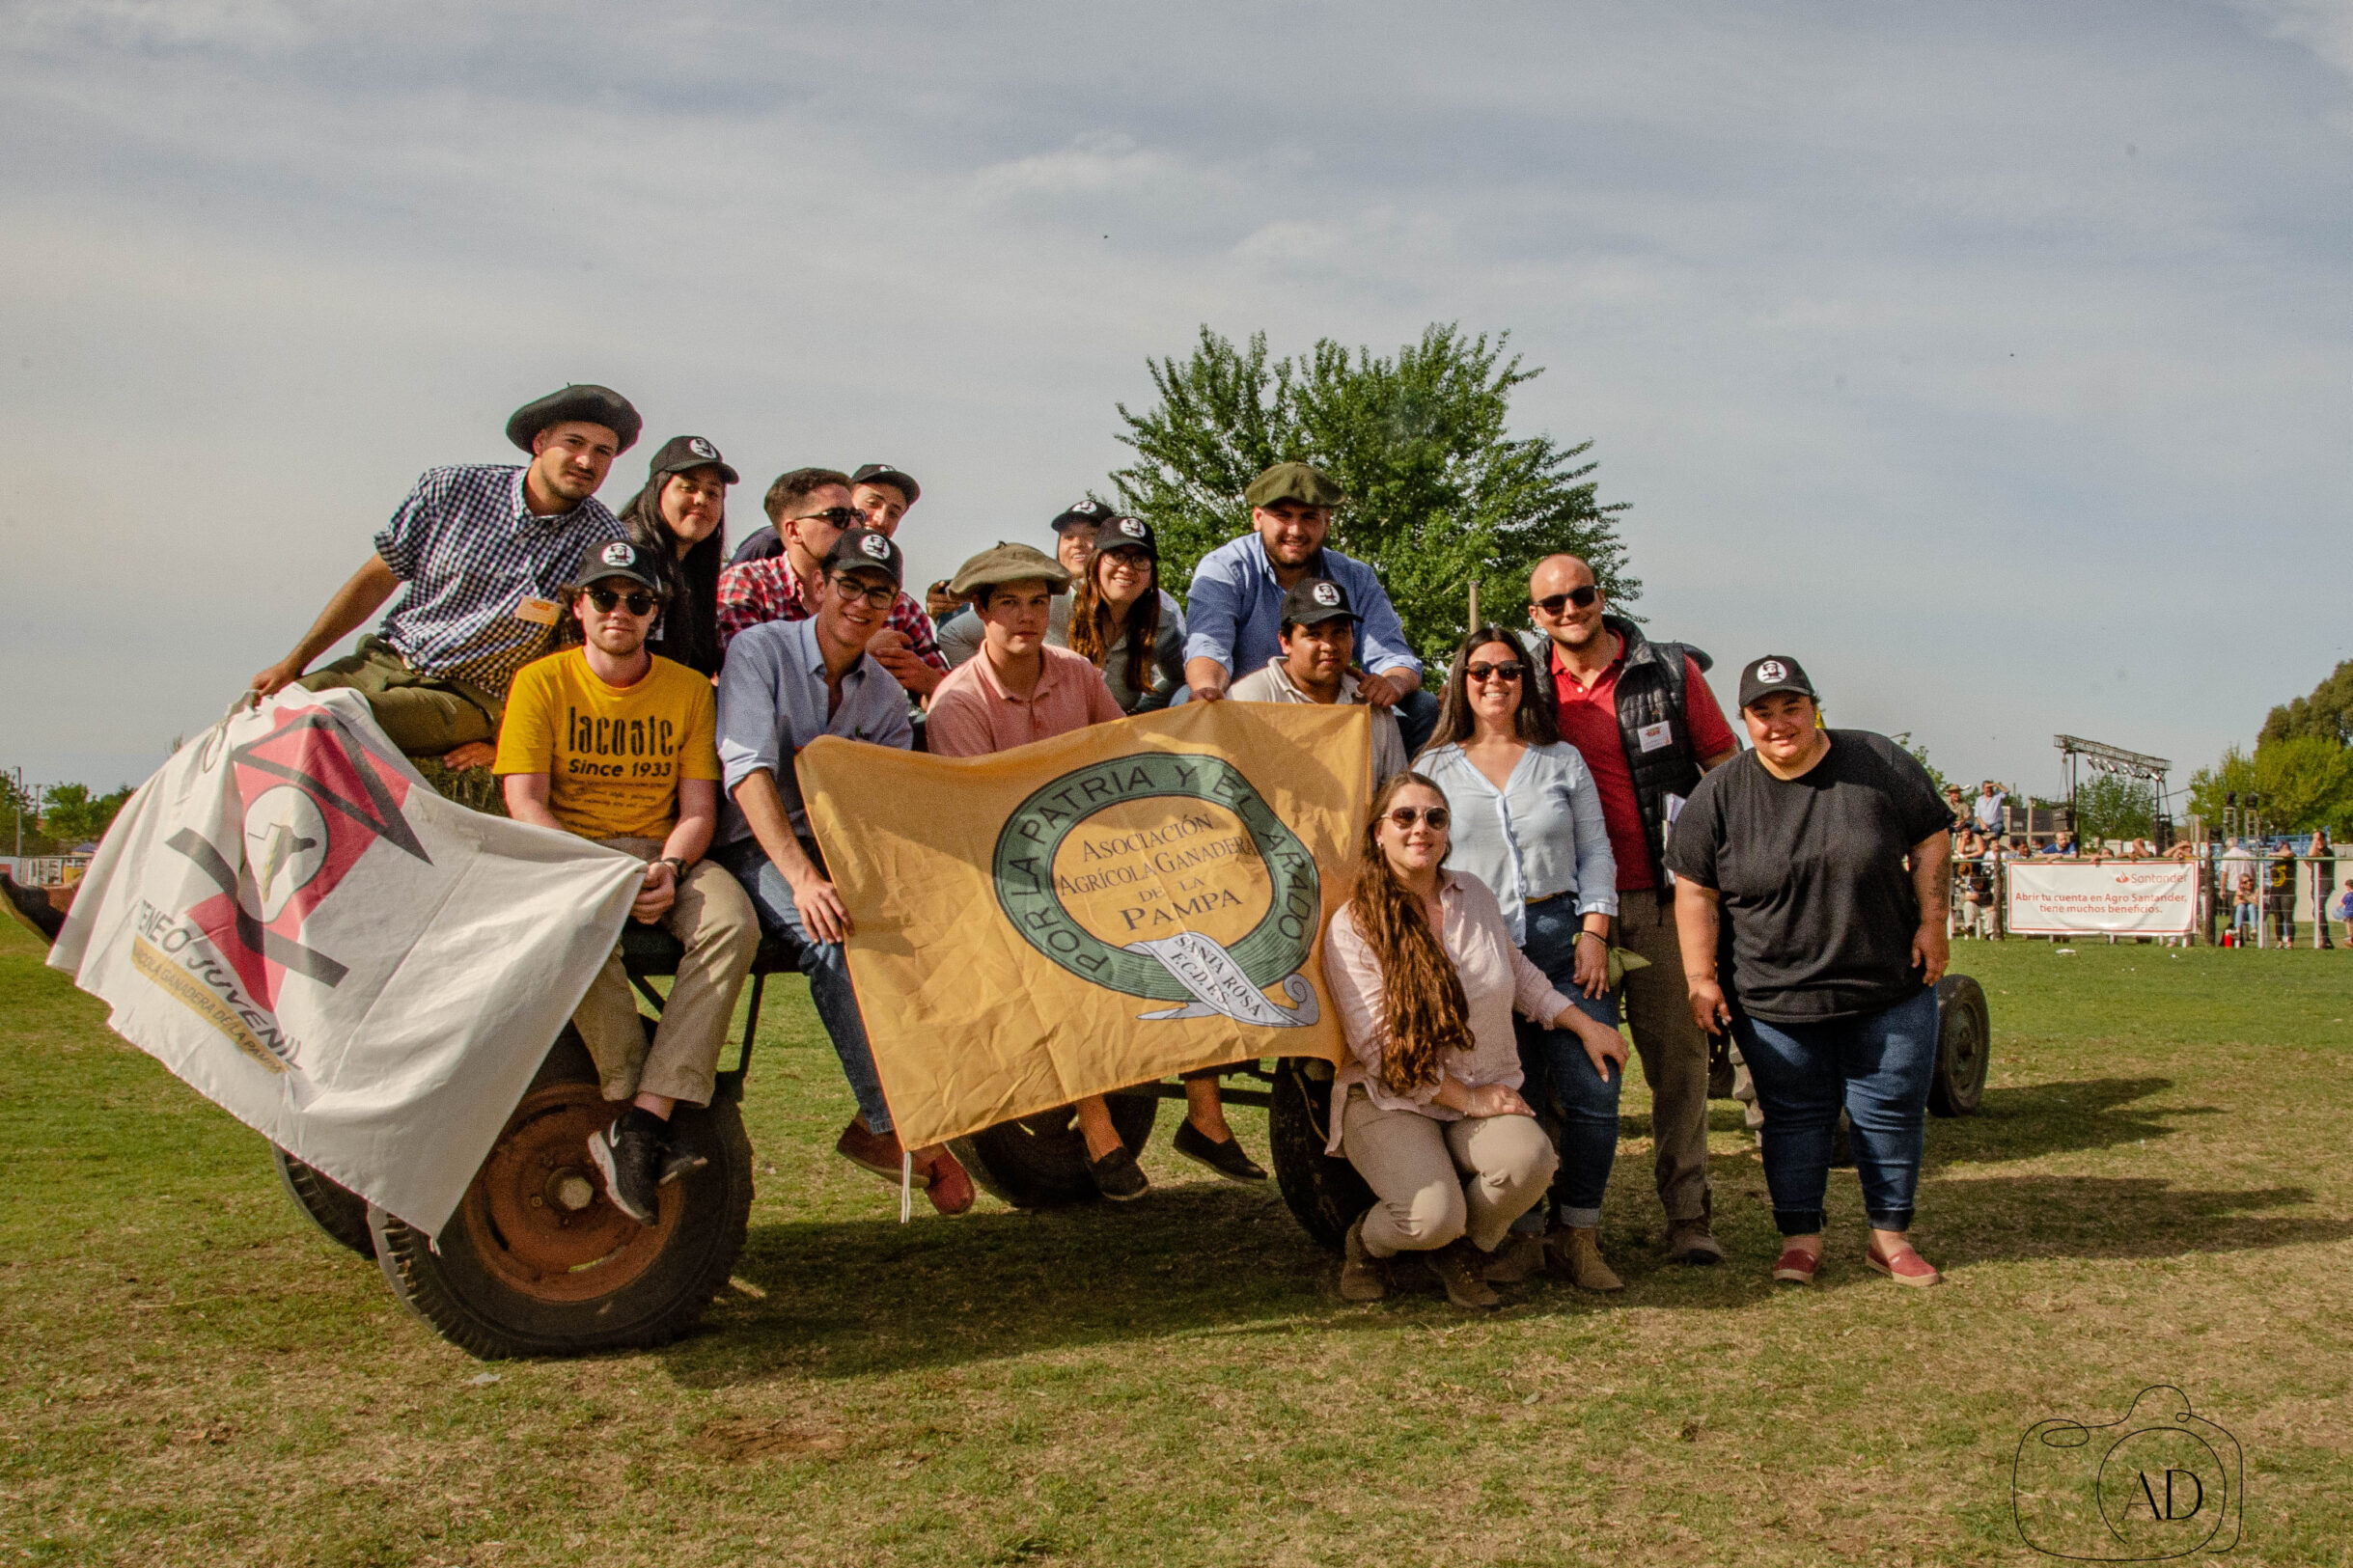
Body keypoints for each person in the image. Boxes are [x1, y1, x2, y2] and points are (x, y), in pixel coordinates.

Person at [928, 541, 1267, 1197]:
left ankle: (1205, 1114)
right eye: (1008, 604)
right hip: (1010, 877)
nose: (1026, 617)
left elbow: (1121, 763)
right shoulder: (956, 703)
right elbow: (979, 822)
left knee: (1190, 918)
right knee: (1060, 960)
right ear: (980, 612)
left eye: (1037, 602)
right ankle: (1097, 1126)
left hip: (1094, 857)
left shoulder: (1077, 674)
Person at [708, 528, 975, 1216]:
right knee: (827, 931)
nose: (861, 601)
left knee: (940, 922)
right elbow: (747, 772)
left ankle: (955, 1100)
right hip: (754, 846)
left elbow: (877, 808)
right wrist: (801, 876)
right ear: (819, 586)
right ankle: (890, 1126)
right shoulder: (759, 649)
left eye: (878, 592)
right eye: (849, 585)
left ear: (893, 606)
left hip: (838, 851)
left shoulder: (885, 696)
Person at [492, 538, 760, 1224]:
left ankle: (644, 1118)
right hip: (572, 855)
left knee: (733, 922)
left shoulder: (684, 688)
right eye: (605, 596)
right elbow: (525, 802)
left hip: (661, 850)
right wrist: (601, 875)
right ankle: (628, 1090)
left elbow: (699, 809)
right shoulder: (540, 682)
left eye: (637, 600)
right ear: (580, 607)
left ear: (655, 615)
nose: (620, 611)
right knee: (569, 926)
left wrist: (669, 867)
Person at [1668, 656, 1953, 1289]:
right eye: (1762, 713)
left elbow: (1932, 834)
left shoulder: (1876, 761)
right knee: (1793, 1119)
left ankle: (1890, 1239)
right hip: (1774, 997)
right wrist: (1699, 976)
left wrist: (1934, 921)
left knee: (1891, 1111)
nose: (1778, 724)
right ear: (1743, 721)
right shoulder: (1719, 793)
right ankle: (1800, 1240)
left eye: (1790, 707)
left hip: (1887, 983)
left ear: (1813, 706)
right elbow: (1693, 889)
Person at [1321, 773, 1627, 1309]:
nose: (1421, 829)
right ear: (1377, 833)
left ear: (1446, 832)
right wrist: (1468, 1100)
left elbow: (1520, 977)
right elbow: (1380, 1050)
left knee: (1531, 1162)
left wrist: (1585, 1024)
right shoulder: (1354, 924)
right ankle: (1367, 1245)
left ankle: (1459, 1251)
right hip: (1393, 1099)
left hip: (1480, 1082)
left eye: (1435, 818)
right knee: (1430, 1215)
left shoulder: (1474, 895)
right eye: (1405, 817)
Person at [1518, 552, 1738, 1264]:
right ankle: (1558, 1221)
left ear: (1601, 597)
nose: (1568, 610)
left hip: (1664, 902)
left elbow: (1725, 773)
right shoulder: (1525, 688)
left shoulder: (1670, 671)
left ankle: (1688, 1216)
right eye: (1552, 604)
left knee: (1679, 1065)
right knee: (1565, 1070)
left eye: (1579, 596)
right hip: (1572, 909)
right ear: (1536, 616)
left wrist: (1725, 877)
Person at [250, 384, 640, 767]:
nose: (586, 462)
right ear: (539, 443)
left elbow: (582, 654)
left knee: (327, 719)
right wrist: (293, 663)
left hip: (468, 697)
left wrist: (514, 740)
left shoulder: (606, 543)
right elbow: (377, 577)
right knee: (260, 717)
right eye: (574, 443)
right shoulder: (452, 488)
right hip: (384, 661)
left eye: (602, 452)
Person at [1413, 629, 1626, 1291]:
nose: (1495, 681)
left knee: (1594, 1088)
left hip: (1565, 937)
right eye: (1480, 670)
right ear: (1460, 681)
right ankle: (1523, 1236)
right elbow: (1414, 855)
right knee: (1515, 1094)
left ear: (1526, 680)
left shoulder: (1561, 760)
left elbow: (1597, 851)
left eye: (1509, 669)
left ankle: (1579, 1233)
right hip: (1475, 949)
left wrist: (1595, 930)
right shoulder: (1437, 767)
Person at [1181, 461, 1437, 754]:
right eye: (1283, 516)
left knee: (1421, 707)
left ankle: (1410, 796)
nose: (1295, 530)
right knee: (1185, 703)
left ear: (1327, 521)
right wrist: (1208, 689)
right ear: (1257, 517)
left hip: (1328, 705)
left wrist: (1392, 684)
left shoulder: (1356, 577)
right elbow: (1208, 644)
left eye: (1309, 518)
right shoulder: (1224, 567)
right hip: (1245, 704)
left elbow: (1394, 655)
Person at [715, 468, 947, 700]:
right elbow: (744, 679)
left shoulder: (898, 605)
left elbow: (953, 695)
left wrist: (929, 681)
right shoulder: (749, 584)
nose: (854, 526)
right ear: (794, 530)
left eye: (857, 516)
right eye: (838, 517)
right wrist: (856, 653)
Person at [935, 499, 1185, 668]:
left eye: (1091, 535)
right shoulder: (1042, 599)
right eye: (1068, 536)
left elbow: (1177, 679)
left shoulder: (1156, 611)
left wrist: (1141, 713)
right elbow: (954, 634)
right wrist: (993, 697)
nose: (1078, 544)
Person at [1228, 577, 1409, 784]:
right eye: (1313, 634)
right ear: (1286, 642)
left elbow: (1397, 795)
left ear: (1353, 638)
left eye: (1339, 633)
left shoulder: (1371, 706)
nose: (1329, 646)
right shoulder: (1247, 699)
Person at [613, 435, 739, 677]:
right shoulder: (630, 558)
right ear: (657, 490)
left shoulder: (694, 569)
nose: (701, 499)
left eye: (713, 493)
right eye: (688, 488)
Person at [1065, 515, 1187, 713]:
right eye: (1116, 556)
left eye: (1139, 559)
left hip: (1113, 737)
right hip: (1047, 735)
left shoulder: (1160, 625)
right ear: (1095, 564)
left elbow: (1183, 677)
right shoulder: (1059, 607)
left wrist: (1140, 714)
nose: (1126, 568)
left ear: (1150, 578)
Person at [2266, 841, 2298, 946]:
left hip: (2287, 891)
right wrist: (2273, 872)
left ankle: (2290, 943)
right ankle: (2279, 942)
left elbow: (2289, 854)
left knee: (2288, 917)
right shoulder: (2276, 861)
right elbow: (2273, 878)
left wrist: (2274, 854)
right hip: (2276, 890)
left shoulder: (2291, 858)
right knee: (2278, 918)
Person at [2312, 829, 2339, 949]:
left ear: (2323, 839)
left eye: (2317, 839)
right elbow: (2308, 859)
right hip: (2316, 884)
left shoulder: (2327, 852)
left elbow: (2313, 857)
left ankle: (2326, 939)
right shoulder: (2317, 850)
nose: (2316, 841)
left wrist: (2314, 844)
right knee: (2316, 911)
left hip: (2325, 884)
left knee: (2319, 908)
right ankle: (2325, 939)